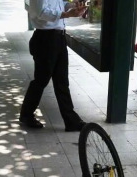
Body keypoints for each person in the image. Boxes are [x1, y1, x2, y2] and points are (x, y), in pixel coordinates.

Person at [19, 0, 88, 132]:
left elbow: (60, 3)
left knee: (62, 80)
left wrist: (73, 6)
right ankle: (26, 114)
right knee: (41, 80)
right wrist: (66, 15)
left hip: (59, 37)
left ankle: (71, 120)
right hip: (45, 39)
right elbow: (41, 13)